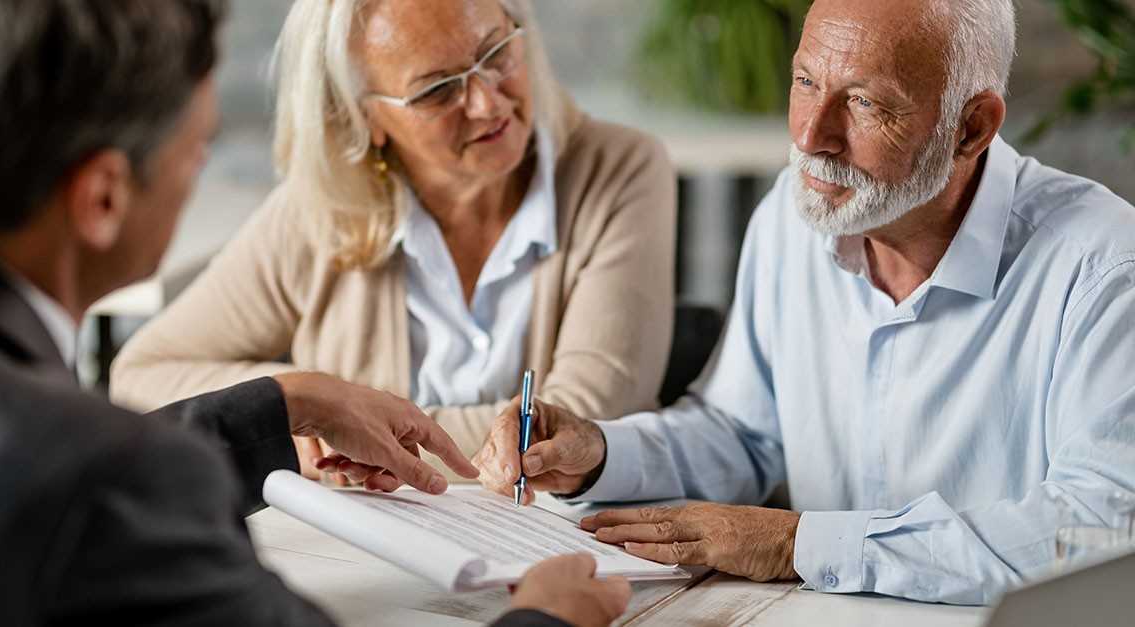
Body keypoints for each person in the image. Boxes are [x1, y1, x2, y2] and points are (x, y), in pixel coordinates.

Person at [0, 1, 631, 625]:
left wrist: (286, 399)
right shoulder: (120, 482)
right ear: (104, 199)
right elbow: (100, 475)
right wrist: (547, 620)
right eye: (196, 150)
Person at [474, 0, 1135, 606]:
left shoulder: (1103, 267)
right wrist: (600, 449)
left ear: (972, 127)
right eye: (806, 82)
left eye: (867, 103)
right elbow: (742, 433)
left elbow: (1096, 530)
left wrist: (797, 543)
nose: (812, 135)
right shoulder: (792, 222)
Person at [108, 0, 675, 481]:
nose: (487, 102)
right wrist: (299, 403)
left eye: (497, 53)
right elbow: (140, 376)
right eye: (436, 91)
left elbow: (576, 429)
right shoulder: (319, 210)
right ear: (364, 119)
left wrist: (352, 427)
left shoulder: (621, 169)